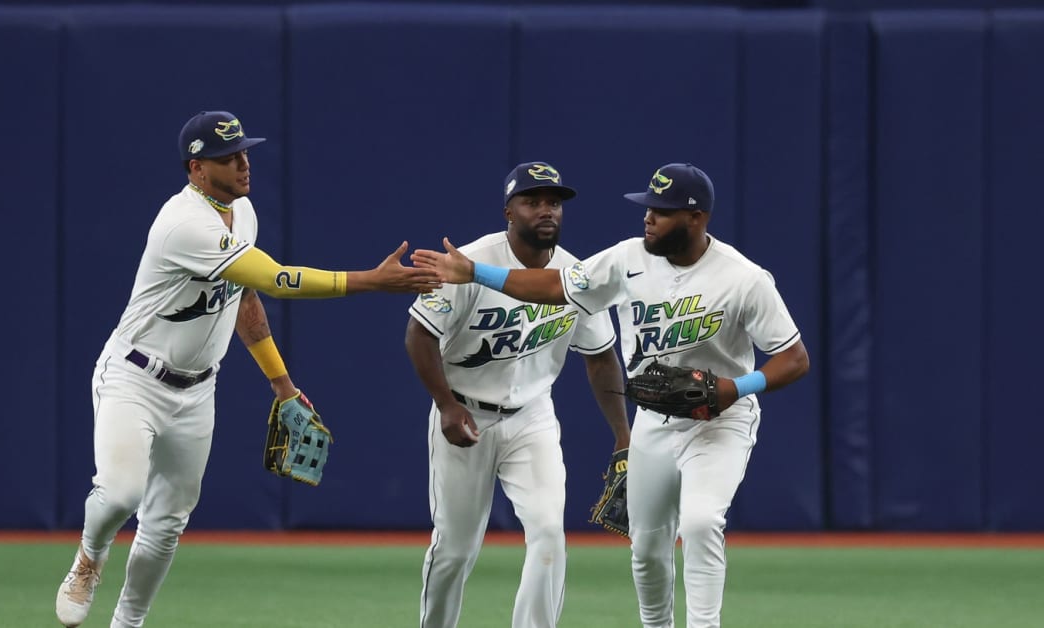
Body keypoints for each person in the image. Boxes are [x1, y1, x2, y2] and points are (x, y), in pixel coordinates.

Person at [55, 110, 439, 628]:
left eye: (244, 153)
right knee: (121, 493)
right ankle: (88, 557)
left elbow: (245, 297)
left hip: (196, 391)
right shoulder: (182, 223)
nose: (243, 164)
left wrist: (282, 384)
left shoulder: (244, 212)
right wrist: (370, 280)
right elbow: (279, 279)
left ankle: (128, 623)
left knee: (167, 524)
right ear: (196, 169)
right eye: (227, 157)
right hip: (135, 377)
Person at [412, 162, 810, 628]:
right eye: (648, 208)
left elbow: (794, 357)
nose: (648, 218)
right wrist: (475, 275)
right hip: (637, 418)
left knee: (689, 523)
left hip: (707, 419)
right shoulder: (624, 260)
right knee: (640, 548)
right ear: (508, 210)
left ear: (695, 218)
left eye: (660, 211)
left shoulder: (744, 278)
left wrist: (734, 388)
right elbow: (553, 288)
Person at [407, 162, 632, 628]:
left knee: (549, 532)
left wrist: (623, 436)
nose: (545, 210)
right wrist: (447, 405)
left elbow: (600, 357)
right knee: (454, 546)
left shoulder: (575, 274)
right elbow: (419, 335)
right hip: (465, 412)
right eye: (532, 201)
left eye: (554, 202)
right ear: (509, 210)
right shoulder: (467, 262)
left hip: (532, 415)